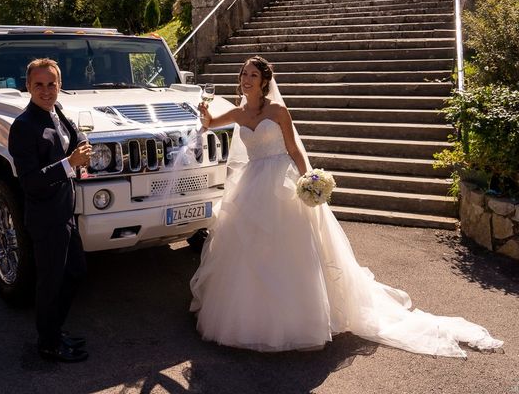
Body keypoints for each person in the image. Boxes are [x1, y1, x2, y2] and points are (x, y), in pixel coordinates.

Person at [189, 55, 503, 357]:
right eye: (243, 75)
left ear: (264, 80)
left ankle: (298, 318)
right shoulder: (239, 112)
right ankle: (250, 318)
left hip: (281, 183)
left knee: (289, 249)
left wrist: (307, 180)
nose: (246, 80)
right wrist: (204, 114)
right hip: (251, 186)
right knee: (249, 250)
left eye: (252, 75)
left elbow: (294, 146)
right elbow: (212, 122)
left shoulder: (278, 111)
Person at [9, 58, 92, 363]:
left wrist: (82, 144)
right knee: (50, 283)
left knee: (75, 272)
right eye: (39, 85)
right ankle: (48, 344)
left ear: (60, 85)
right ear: (28, 86)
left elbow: (73, 135)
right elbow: (30, 182)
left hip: (65, 213)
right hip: (46, 218)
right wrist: (69, 164)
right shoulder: (23, 126)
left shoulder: (57, 112)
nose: (46, 90)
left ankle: (54, 331)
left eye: (52, 84)